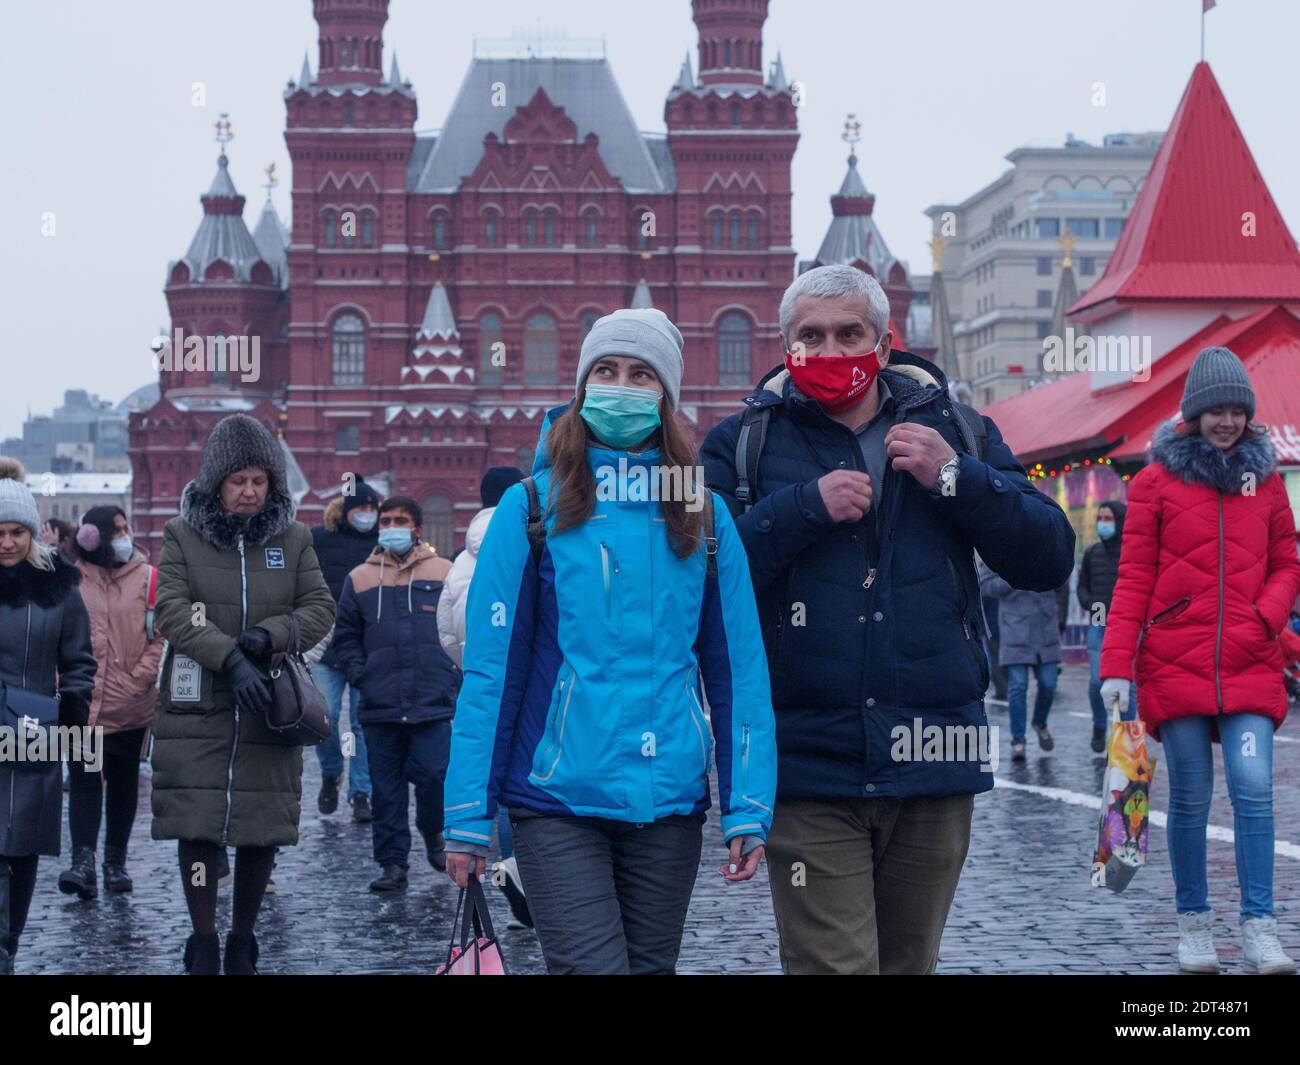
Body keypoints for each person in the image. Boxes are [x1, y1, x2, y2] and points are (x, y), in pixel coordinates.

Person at [701, 264, 1075, 974]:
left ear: (885, 341)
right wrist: (801, 509)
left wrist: (958, 475)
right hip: (809, 760)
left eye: (850, 332)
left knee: (910, 964)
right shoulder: (741, 444)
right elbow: (703, 583)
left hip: (934, 753)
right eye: (811, 335)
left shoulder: (957, 428)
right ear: (786, 348)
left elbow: (1049, 554)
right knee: (834, 966)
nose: (831, 348)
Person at [443, 308, 777, 975]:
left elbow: (738, 668)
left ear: (667, 397)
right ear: (582, 385)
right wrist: (467, 812)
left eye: (640, 374)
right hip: (557, 798)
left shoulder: (703, 514)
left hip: (670, 799)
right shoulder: (532, 508)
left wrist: (748, 804)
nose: (620, 386)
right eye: (606, 370)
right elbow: (492, 671)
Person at [1100, 347, 1300, 976]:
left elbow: (1288, 561)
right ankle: (1194, 928)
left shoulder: (1264, 480)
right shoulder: (1155, 482)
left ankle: (1261, 928)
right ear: (1192, 413)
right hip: (1173, 664)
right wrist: (1114, 665)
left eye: (1238, 410)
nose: (1228, 421)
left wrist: (1265, 616)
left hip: (1249, 662)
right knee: (1189, 797)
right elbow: (1132, 579)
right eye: (1216, 409)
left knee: (1253, 791)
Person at [150, 414, 335, 975]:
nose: (250, 491)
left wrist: (267, 638)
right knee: (198, 823)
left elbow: (319, 608)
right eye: (238, 481)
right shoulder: (181, 536)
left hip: (269, 707)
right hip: (199, 705)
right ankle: (203, 939)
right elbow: (172, 611)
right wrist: (229, 657)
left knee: (261, 826)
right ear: (217, 484)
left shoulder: (294, 538)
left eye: (259, 480)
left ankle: (242, 941)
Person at [332, 497, 460, 893]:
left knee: (435, 777)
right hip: (380, 702)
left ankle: (433, 833)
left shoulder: (446, 572)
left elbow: (461, 628)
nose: (391, 526)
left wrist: (452, 676)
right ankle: (392, 864)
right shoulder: (360, 578)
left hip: (432, 700)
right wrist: (361, 675)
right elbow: (346, 636)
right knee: (385, 791)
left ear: (416, 527)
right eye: (386, 520)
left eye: (400, 520)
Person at [0, 459, 97, 975]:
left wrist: (72, 714)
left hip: (34, 733)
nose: (7, 542)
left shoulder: (59, 588)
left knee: (22, 848)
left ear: (33, 534)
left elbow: (79, 661)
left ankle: (9, 940)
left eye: (17, 532)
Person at [435, 465, 529, 926]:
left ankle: (494, 854)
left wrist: (472, 662)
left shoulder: (464, 558)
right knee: (523, 785)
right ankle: (518, 867)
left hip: (479, 675)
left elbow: (448, 628)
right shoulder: (537, 533)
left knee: (483, 762)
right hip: (534, 682)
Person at [58, 507, 164, 898]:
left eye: (125, 527)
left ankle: (115, 863)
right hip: (82, 703)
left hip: (131, 703)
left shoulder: (149, 578)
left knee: (123, 785)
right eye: (115, 530)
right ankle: (82, 862)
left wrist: (140, 678)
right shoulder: (69, 579)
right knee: (85, 781)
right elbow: (57, 633)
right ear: (92, 537)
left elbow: (162, 636)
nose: (124, 535)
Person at [309, 480, 381, 823]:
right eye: (360, 509)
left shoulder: (383, 545)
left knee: (363, 726)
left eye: (372, 509)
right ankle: (331, 771)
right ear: (345, 510)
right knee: (324, 716)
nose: (366, 515)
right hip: (327, 646)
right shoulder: (319, 541)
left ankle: (361, 793)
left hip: (370, 648)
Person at [978, 569, 1068, 760]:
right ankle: (1018, 739)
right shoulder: (1001, 549)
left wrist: (1060, 617)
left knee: (1049, 683)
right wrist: (1013, 578)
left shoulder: (1046, 543)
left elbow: (1062, 581)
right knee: (1018, 687)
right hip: (1014, 631)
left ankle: (1040, 723)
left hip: (1046, 630)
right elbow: (985, 585)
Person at [1077, 500, 1137, 751]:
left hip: (1126, 625)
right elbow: (1082, 586)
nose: (1103, 522)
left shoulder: (1131, 552)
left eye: (1108, 518)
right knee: (1095, 680)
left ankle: (1128, 744)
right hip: (1099, 623)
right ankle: (1099, 724)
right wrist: (1091, 604)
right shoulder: (1092, 552)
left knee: (1129, 685)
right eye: (1100, 517)